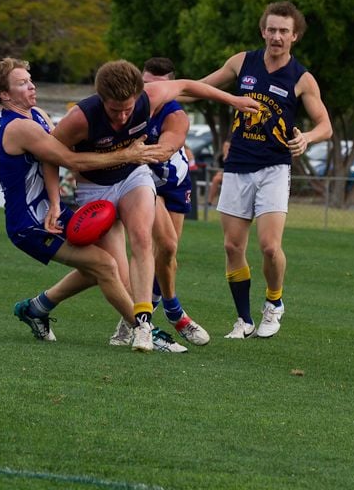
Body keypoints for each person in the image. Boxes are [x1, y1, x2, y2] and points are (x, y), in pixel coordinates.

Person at [51, 59, 259, 352]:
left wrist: (234, 99)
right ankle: (42, 306)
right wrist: (53, 202)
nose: (123, 117)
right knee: (115, 272)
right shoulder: (80, 118)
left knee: (143, 240)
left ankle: (144, 325)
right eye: (114, 110)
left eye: (128, 109)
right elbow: (51, 154)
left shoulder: (150, 99)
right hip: (94, 188)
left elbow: (188, 85)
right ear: (101, 99)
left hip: (134, 176)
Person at [0, 58, 168, 347]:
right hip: (29, 224)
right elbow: (69, 160)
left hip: (50, 212)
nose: (31, 85)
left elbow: (52, 161)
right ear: (4, 95)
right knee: (105, 266)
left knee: (102, 268)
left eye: (30, 78)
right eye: (22, 82)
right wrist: (126, 156)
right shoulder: (19, 127)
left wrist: (56, 203)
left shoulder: (37, 114)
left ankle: (36, 309)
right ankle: (145, 331)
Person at [198, 0, 332, 339]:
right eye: (271, 29)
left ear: (295, 36)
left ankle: (274, 303)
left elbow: (325, 125)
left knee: (270, 246)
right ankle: (243, 321)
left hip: (274, 167)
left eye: (283, 31)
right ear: (263, 31)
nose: (276, 36)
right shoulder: (243, 62)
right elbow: (203, 86)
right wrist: (162, 92)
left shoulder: (301, 78)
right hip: (238, 166)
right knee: (232, 247)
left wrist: (308, 139)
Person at [140, 57, 211, 346]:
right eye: (146, 84)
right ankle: (171, 312)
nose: (151, 92)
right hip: (145, 182)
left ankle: (143, 316)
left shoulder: (175, 113)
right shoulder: (130, 107)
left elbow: (168, 147)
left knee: (168, 255)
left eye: (158, 86)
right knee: (165, 245)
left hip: (176, 182)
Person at [207, 139, 231, 207]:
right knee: (216, 179)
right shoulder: (220, 157)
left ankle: (211, 201)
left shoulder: (232, 157)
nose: (225, 148)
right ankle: (210, 201)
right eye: (224, 146)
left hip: (231, 176)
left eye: (227, 147)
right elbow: (216, 168)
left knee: (216, 178)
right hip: (222, 176)